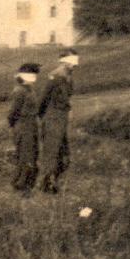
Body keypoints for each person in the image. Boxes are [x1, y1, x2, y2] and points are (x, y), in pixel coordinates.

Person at [38, 49, 79, 194]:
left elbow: (66, 99)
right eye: (71, 62)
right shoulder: (55, 77)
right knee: (52, 152)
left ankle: (53, 183)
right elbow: (44, 98)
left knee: (63, 154)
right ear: (64, 62)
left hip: (61, 119)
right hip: (53, 118)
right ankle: (47, 185)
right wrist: (42, 115)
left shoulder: (68, 77)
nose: (74, 66)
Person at [8, 63, 41, 197]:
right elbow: (13, 113)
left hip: (32, 125)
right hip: (23, 126)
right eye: (32, 74)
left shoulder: (30, 90)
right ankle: (22, 186)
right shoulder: (19, 91)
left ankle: (25, 185)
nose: (34, 77)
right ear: (24, 76)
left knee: (32, 155)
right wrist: (15, 127)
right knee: (26, 156)